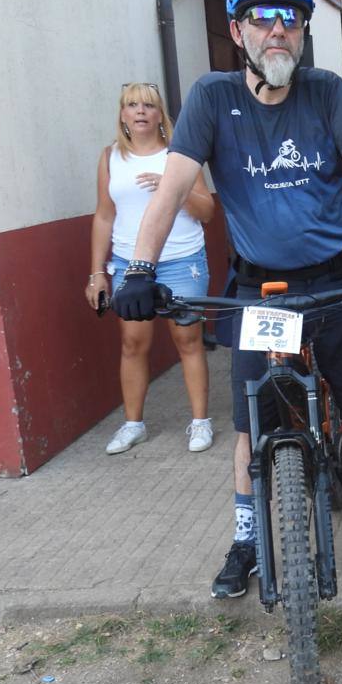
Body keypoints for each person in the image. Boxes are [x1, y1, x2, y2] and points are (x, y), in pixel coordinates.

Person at [109, 0, 342, 595]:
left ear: (303, 31)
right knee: (251, 422)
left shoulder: (326, 92)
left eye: (291, 18)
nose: (278, 30)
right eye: (262, 18)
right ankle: (247, 540)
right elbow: (172, 190)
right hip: (261, 292)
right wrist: (140, 269)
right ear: (238, 31)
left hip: (336, 282)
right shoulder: (212, 98)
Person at [86, 82, 216, 455]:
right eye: (132, 105)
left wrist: (171, 188)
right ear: (122, 115)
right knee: (132, 343)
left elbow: (207, 210)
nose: (140, 111)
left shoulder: (180, 154)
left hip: (182, 258)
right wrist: (96, 273)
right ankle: (133, 424)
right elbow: (104, 216)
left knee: (188, 340)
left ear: (161, 115)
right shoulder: (110, 157)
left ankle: (200, 421)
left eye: (148, 105)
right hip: (129, 264)